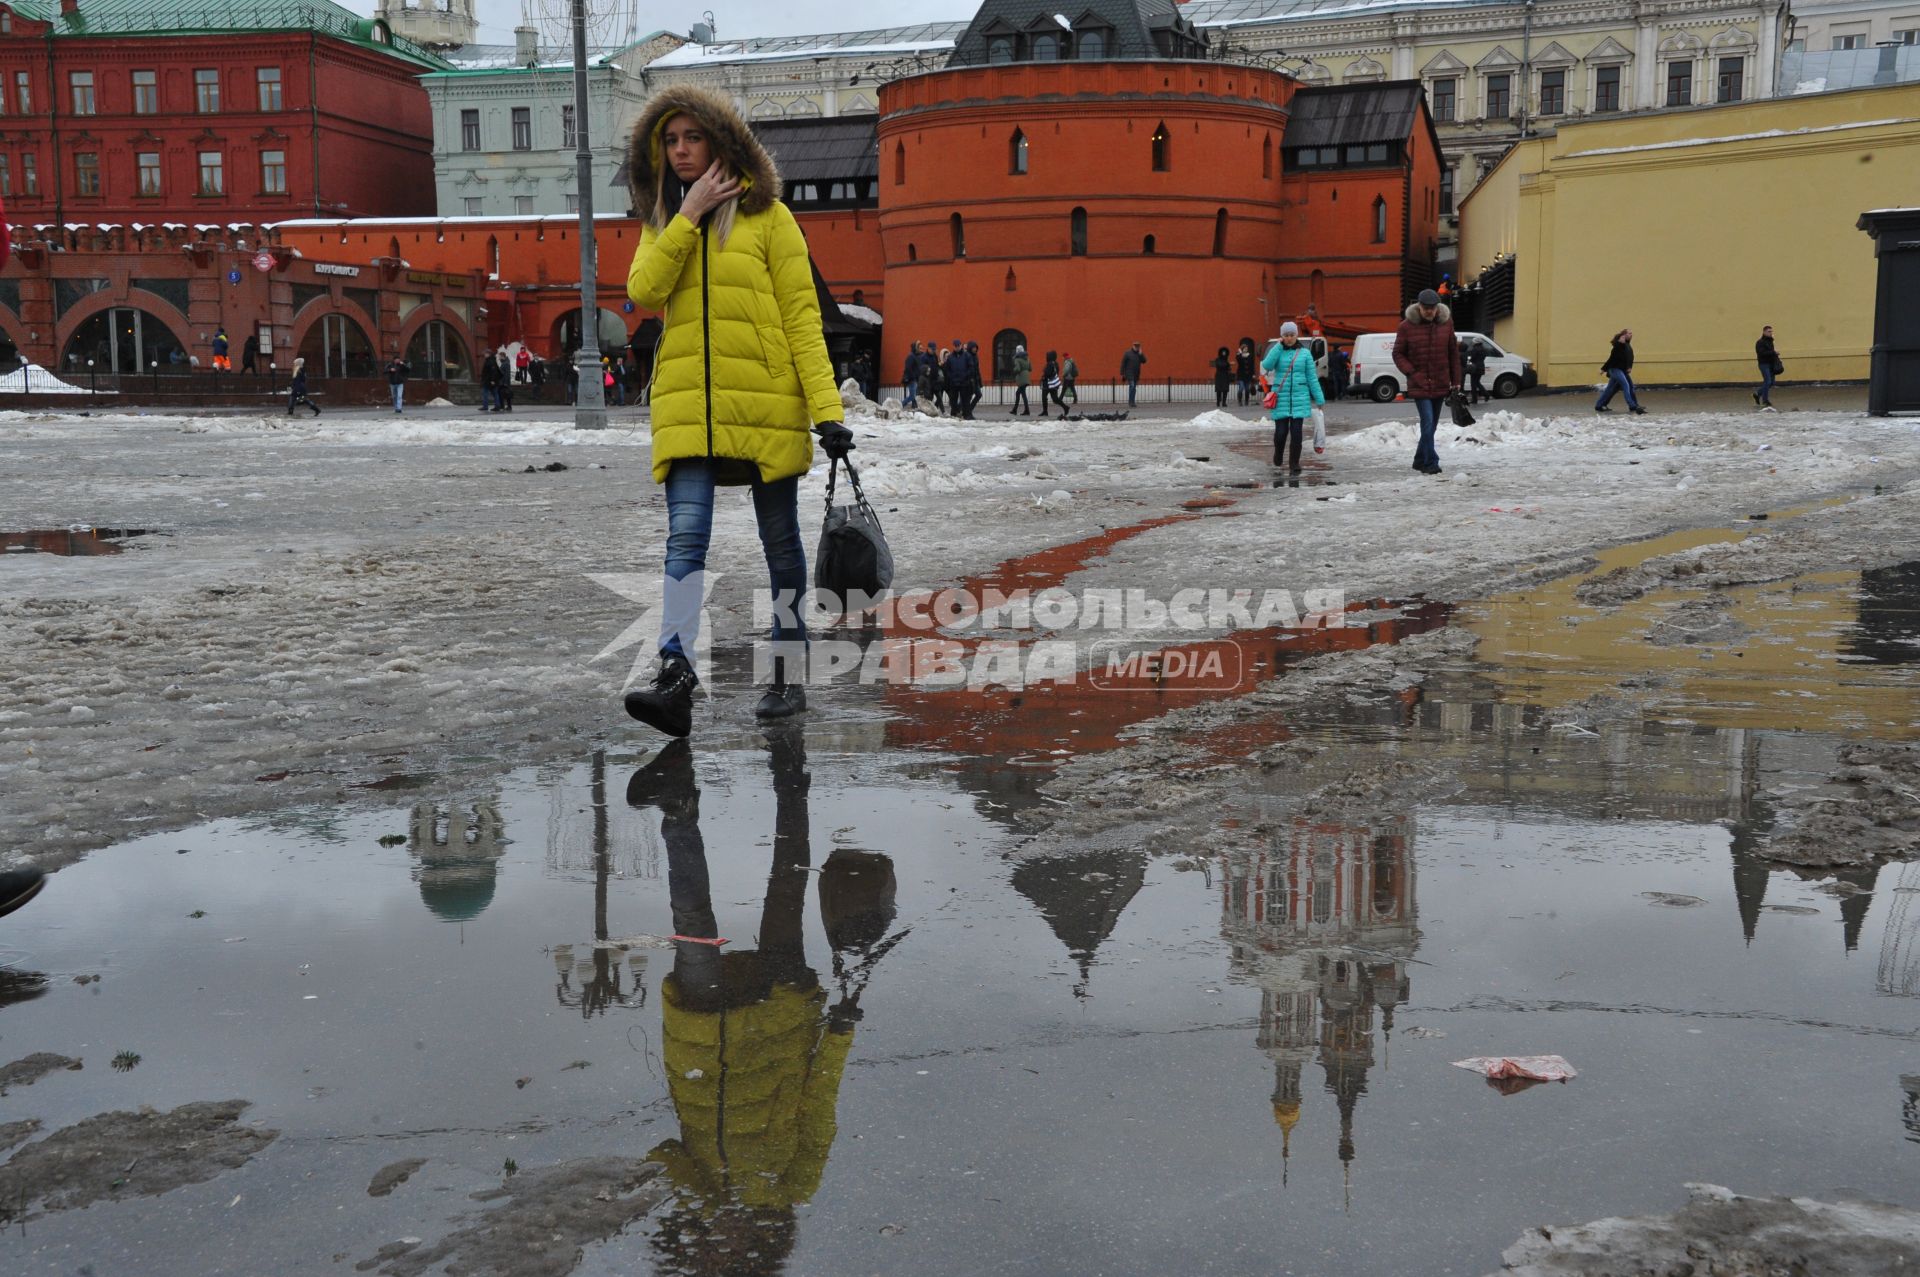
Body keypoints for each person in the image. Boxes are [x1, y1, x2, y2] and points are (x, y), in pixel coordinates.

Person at [621, 84, 849, 734]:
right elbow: (643, 291)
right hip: (689, 406)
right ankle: (674, 674)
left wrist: (827, 410)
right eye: (671, 140)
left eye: (693, 137)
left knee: (779, 543)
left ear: (721, 140)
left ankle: (786, 668)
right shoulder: (664, 216)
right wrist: (687, 215)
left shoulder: (769, 217)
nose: (682, 149)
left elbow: (803, 319)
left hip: (768, 402)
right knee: (685, 539)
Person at [628, 731, 896, 1277]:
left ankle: (679, 810)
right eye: (725, 1262)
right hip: (780, 1014)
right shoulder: (795, 1186)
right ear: (758, 1254)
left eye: (705, 1258)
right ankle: (791, 776)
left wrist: (702, 1202)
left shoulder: (689, 1197)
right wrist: (839, 1034)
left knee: (691, 922)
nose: (717, 1250)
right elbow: (820, 1103)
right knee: (786, 886)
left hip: (701, 1031)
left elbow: (661, 1157)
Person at [1392, 288, 1460, 475]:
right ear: (1419, 307)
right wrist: (1412, 373)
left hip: (1440, 382)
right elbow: (1398, 353)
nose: (1429, 311)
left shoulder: (1446, 323)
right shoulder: (1406, 326)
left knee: (1432, 425)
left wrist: (1456, 380)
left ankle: (1419, 460)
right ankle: (1431, 463)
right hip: (1420, 383)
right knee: (1428, 422)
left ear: (1437, 307)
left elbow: (1453, 353)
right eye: (1426, 308)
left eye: (1432, 308)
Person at [1261, 321, 1324, 474]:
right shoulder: (1278, 351)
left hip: (1300, 398)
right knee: (1281, 432)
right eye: (1286, 335)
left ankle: (1294, 462)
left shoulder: (1305, 354)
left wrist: (1319, 398)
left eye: (1292, 335)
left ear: (1297, 336)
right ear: (1282, 336)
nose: (1289, 338)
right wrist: (1278, 346)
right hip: (1280, 397)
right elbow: (1267, 365)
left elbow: (1312, 377)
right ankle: (1278, 454)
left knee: (1296, 433)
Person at [1594, 328, 1645, 415]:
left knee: (1613, 389)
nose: (1631, 335)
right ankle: (1632, 405)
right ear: (1623, 335)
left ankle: (1599, 405)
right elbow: (1611, 359)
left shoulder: (1627, 346)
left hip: (1622, 370)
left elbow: (1629, 357)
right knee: (1626, 385)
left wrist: (1629, 367)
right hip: (1615, 370)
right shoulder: (1617, 347)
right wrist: (1603, 369)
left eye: (1631, 333)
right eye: (1629, 333)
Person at [945, 340, 974, 420]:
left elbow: (971, 368)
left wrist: (965, 376)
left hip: (964, 382)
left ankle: (967, 415)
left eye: (958, 345)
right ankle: (954, 414)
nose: (957, 347)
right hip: (954, 382)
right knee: (953, 400)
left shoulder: (967, 356)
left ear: (961, 345)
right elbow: (947, 369)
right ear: (953, 346)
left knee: (965, 400)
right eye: (955, 346)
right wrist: (951, 377)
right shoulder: (950, 357)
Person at [1754, 324, 1781, 411]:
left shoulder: (1770, 341)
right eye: (1769, 331)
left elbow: (1770, 352)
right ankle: (1765, 401)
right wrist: (1773, 352)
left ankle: (1758, 394)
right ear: (1764, 332)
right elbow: (1761, 353)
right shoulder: (1760, 342)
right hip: (1763, 364)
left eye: (1771, 331)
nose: (1770, 333)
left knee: (1771, 382)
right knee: (1768, 381)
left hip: (1771, 364)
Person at [1120, 341, 1146, 408]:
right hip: (1129, 373)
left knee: (1133, 388)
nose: (1136, 347)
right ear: (1133, 346)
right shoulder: (1127, 353)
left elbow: (1144, 361)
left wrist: (1141, 354)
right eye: (1135, 346)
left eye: (1138, 346)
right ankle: (1131, 402)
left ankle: (1132, 402)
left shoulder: (1139, 354)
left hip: (1136, 374)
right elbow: (1123, 363)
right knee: (1132, 386)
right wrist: (1122, 373)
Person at [1040, 350, 1064, 418]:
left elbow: (1048, 373)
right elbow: (1056, 372)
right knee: (1055, 399)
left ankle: (1045, 411)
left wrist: (1044, 376)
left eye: (1047, 356)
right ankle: (1065, 407)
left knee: (1044, 397)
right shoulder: (1056, 363)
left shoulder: (1050, 363)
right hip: (1053, 383)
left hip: (1048, 383)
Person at [1010, 344, 1031, 416]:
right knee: (1019, 393)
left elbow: (1018, 369)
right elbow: (1030, 368)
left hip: (1021, 378)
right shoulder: (1027, 358)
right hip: (1026, 377)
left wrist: (1014, 370)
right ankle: (1015, 410)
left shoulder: (1017, 359)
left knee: (1022, 394)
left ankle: (1026, 410)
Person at [1465, 339, 1489, 404]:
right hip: (1481, 366)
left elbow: (1471, 358)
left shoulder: (1475, 349)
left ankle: (1475, 399)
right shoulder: (1484, 349)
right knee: (1477, 382)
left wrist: (1469, 359)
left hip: (1475, 368)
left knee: (1473, 384)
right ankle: (1485, 394)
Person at [480, 347, 503, 411]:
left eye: (485, 353)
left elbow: (493, 371)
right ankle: (497, 406)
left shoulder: (491, 361)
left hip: (489, 380)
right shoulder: (491, 360)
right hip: (490, 380)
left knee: (486, 393)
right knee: (494, 393)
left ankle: (486, 406)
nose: (484, 355)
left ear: (488, 354)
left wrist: (492, 380)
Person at [1235, 339, 1257, 407]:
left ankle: (1246, 401)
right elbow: (1238, 359)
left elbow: (1252, 365)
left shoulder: (1250, 356)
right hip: (1241, 375)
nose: (1246, 349)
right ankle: (1239, 401)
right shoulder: (1239, 356)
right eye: (1244, 348)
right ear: (1242, 349)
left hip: (1248, 375)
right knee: (1241, 388)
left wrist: (1253, 374)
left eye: (1246, 348)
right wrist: (1240, 353)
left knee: (1247, 389)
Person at [1210, 345, 1233, 409]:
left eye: (1225, 352)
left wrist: (1228, 365)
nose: (1224, 354)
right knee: (1219, 390)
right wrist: (1228, 364)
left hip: (1225, 376)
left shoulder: (1226, 360)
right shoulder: (1217, 359)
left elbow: (1228, 368)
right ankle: (1218, 401)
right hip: (1219, 376)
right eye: (1223, 352)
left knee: (1225, 390)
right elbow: (1220, 365)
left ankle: (1224, 402)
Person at [900, 341, 921, 409]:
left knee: (914, 395)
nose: (920, 348)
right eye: (918, 347)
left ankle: (914, 406)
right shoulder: (911, 356)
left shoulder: (915, 356)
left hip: (915, 378)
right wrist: (913, 376)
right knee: (912, 396)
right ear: (915, 348)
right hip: (912, 379)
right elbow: (908, 368)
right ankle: (900, 405)